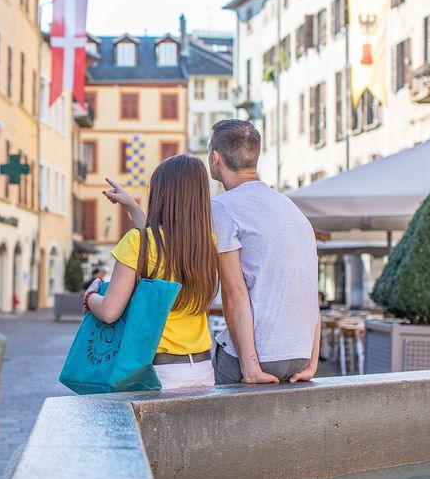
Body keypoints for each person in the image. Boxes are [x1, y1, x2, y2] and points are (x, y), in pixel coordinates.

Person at [85, 155, 219, 389]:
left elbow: (109, 312)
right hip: (203, 369)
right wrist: (132, 206)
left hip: (159, 372)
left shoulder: (137, 242)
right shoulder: (208, 244)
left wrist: (90, 297)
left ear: (161, 194)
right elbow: (159, 240)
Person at [207, 119, 320, 385]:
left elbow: (234, 292)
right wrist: (313, 362)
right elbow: (310, 289)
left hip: (258, 356)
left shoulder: (222, 207)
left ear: (215, 158)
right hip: (299, 357)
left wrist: (250, 368)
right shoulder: (292, 209)